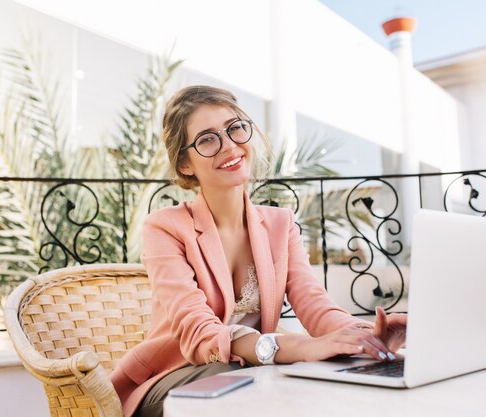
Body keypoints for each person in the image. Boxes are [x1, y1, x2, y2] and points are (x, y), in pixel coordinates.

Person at [110, 85, 407, 417]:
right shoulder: (164, 227)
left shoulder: (281, 224)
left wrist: (367, 335)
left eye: (235, 128)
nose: (230, 146)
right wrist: (295, 347)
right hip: (171, 380)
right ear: (185, 164)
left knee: (313, 376)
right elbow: (198, 333)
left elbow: (315, 306)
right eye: (208, 139)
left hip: (248, 375)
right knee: (240, 379)